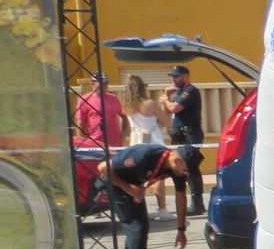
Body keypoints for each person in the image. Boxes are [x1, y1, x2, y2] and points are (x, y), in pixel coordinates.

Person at [97, 143, 197, 249]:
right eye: (186, 170)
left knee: (140, 227)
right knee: (136, 227)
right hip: (115, 183)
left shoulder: (176, 170)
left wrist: (181, 230)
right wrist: (128, 188)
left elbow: (181, 196)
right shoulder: (145, 156)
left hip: (134, 187)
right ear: (177, 161)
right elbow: (103, 167)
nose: (186, 174)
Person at [124, 75, 172, 213]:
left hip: (135, 143)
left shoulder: (127, 106)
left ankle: (139, 209)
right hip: (153, 143)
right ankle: (162, 209)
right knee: (158, 177)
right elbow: (166, 123)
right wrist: (164, 107)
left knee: (138, 178)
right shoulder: (150, 104)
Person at [163, 64, 205, 212]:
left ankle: (197, 204)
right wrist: (167, 97)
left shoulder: (190, 91)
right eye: (173, 76)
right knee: (183, 168)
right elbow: (167, 112)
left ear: (185, 77)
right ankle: (193, 202)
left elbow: (174, 108)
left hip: (190, 135)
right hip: (180, 136)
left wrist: (165, 100)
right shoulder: (180, 93)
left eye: (177, 76)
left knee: (191, 168)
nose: (174, 79)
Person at [75, 71, 127, 150]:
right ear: (92, 83)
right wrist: (82, 144)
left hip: (115, 144)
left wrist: (122, 137)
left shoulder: (114, 98)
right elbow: (80, 123)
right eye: (102, 83)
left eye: (106, 83)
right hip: (94, 144)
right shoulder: (84, 100)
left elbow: (124, 117)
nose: (105, 86)